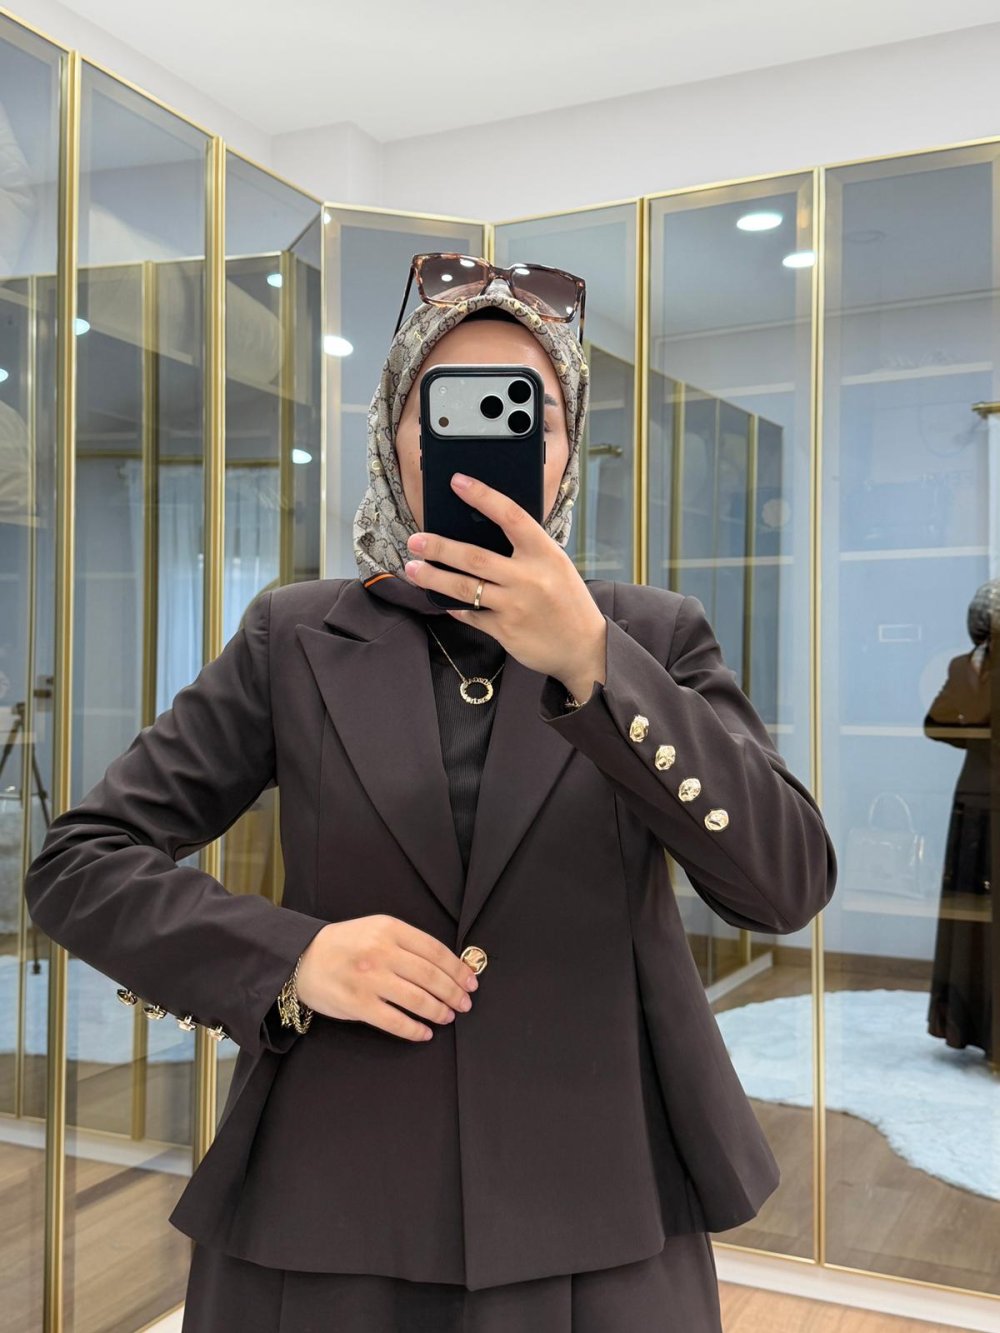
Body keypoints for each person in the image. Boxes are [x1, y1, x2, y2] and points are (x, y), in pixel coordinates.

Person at [24, 266, 838, 1332]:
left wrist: (595, 663)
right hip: (328, 1203)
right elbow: (80, 861)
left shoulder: (653, 635)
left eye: (528, 415)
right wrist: (292, 956)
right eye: (446, 409)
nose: (488, 441)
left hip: (600, 1203)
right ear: (394, 438)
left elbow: (784, 884)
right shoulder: (293, 636)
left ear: (566, 451)